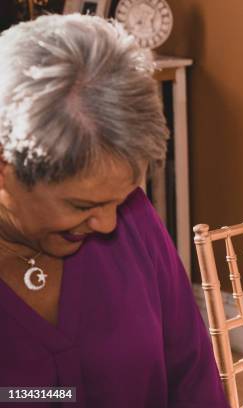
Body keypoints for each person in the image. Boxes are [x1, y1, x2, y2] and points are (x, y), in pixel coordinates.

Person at [0, 14, 228, 407]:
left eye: (119, 199)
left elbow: (192, 373)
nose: (107, 224)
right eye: (81, 205)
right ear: (5, 168)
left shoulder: (133, 219)